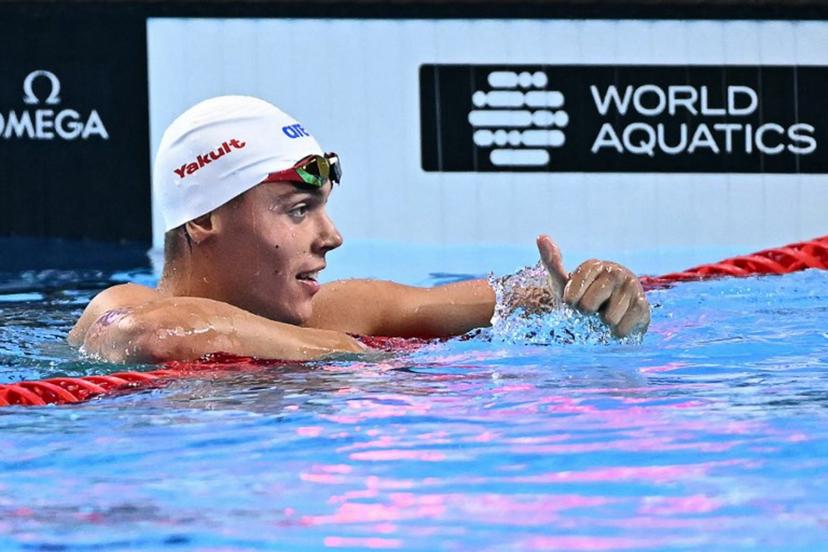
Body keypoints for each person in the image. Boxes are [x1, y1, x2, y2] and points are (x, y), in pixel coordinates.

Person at [68, 96, 650, 363]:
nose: (332, 236)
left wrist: (588, 295)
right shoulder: (122, 303)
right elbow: (162, 334)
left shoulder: (339, 310)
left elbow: (501, 300)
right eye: (299, 210)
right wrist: (360, 358)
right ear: (203, 218)